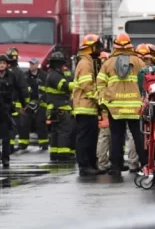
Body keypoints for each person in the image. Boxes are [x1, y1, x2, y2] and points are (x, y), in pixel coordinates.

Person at [96, 32, 147, 176]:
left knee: (117, 137)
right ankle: (144, 164)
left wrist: (104, 102)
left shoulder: (108, 63)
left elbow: (100, 84)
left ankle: (116, 167)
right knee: (138, 137)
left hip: (115, 108)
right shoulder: (138, 61)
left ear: (115, 46)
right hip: (135, 108)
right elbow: (146, 82)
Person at [72, 34, 103, 175]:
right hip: (84, 107)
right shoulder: (85, 63)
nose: (100, 49)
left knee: (91, 138)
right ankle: (84, 166)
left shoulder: (89, 61)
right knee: (84, 138)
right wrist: (98, 97)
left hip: (89, 107)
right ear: (91, 48)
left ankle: (91, 164)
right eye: (98, 47)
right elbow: (86, 85)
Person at [44, 51, 75, 162]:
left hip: (54, 109)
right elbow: (65, 86)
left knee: (56, 132)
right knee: (64, 131)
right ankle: (63, 155)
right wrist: (79, 84)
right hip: (60, 109)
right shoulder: (55, 76)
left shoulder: (53, 74)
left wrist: (68, 75)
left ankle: (55, 154)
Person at [6, 48, 29, 153]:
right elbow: (23, 89)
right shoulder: (19, 73)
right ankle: (10, 147)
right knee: (15, 125)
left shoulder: (3, 71)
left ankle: (7, 146)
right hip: (16, 105)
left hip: (5, 104)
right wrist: (25, 104)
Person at [23, 57, 49, 151]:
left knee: (40, 123)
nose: (31, 66)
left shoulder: (44, 76)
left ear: (38, 65)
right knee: (25, 123)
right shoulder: (25, 75)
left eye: (33, 64)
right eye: (30, 64)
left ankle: (44, 143)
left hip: (41, 103)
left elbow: (47, 90)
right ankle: (23, 144)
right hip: (28, 104)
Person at [95, 52, 111, 173]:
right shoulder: (105, 72)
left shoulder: (99, 71)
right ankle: (103, 163)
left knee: (105, 136)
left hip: (103, 107)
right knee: (105, 136)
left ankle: (103, 161)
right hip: (106, 108)